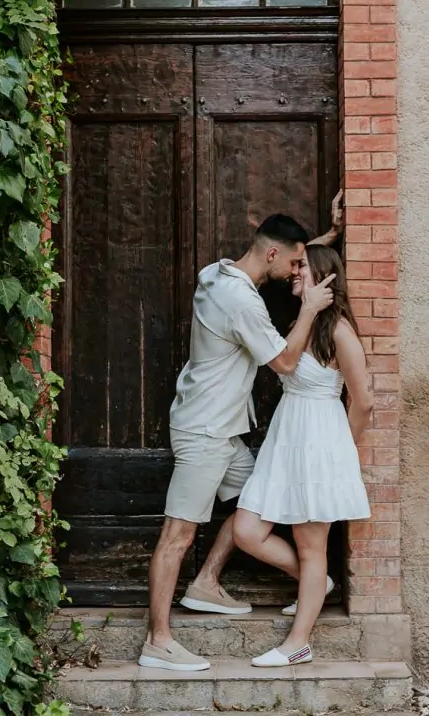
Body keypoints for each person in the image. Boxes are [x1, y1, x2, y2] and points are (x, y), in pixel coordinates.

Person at [138, 214, 336, 673]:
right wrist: (309, 309)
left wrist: (325, 239)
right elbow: (285, 362)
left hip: (224, 430)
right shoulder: (241, 301)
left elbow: (277, 255)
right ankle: (158, 641)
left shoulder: (218, 272)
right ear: (273, 254)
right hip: (205, 430)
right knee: (178, 535)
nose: (296, 272)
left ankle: (207, 583)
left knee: (255, 502)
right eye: (295, 263)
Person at [234, 244, 373, 668]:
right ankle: (317, 584)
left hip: (319, 440)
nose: (295, 272)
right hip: (285, 438)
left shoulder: (340, 332)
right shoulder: (303, 321)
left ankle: (298, 643)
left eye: (304, 268)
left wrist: (342, 450)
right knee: (246, 530)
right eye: (295, 266)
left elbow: (364, 401)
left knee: (312, 547)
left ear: (326, 278)